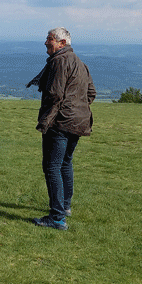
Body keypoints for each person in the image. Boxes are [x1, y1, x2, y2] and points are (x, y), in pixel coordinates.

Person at [28, 27, 95, 230]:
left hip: (60, 121)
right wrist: (76, 107)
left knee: (52, 166)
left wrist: (48, 118)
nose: (46, 42)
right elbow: (91, 92)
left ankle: (57, 218)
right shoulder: (80, 63)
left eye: (49, 39)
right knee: (65, 163)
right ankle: (64, 207)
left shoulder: (59, 61)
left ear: (62, 43)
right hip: (78, 121)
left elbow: (54, 94)